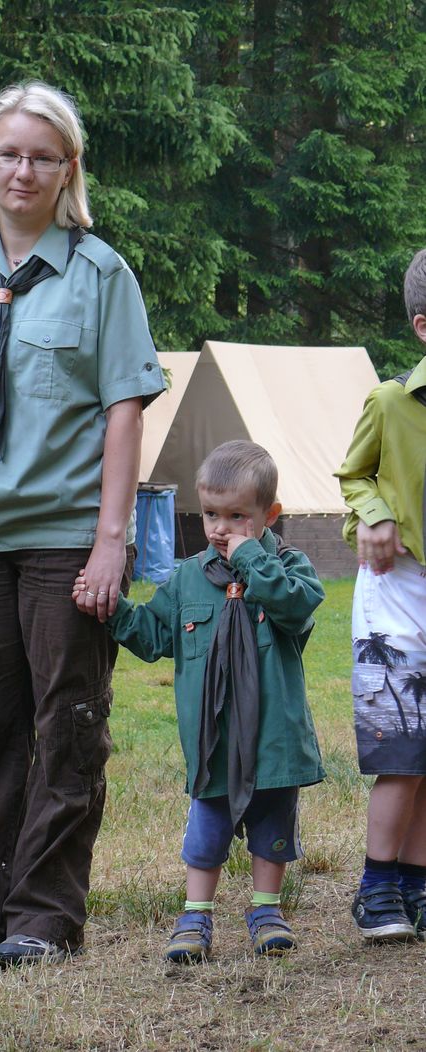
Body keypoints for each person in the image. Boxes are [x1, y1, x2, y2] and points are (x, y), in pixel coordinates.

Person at [0, 81, 164, 966]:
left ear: (68, 169)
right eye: (9, 153)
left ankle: (42, 919)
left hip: (64, 539)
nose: (24, 170)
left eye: (43, 156)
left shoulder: (101, 275)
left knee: (67, 723)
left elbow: (124, 411)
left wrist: (111, 542)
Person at [75, 440, 325, 961]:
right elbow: (153, 637)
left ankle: (266, 909)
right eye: (211, 514)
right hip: (214, 735)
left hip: (273, 734)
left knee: (272, 824)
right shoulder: (188, 577)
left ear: (269, 515)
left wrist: (252, 559)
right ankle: (196, 915)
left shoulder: (288, 569)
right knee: (207, 826)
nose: (220, 529)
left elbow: (295, 609)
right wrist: (113, 608)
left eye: (237, 516)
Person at [336, 248, 426, 944]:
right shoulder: (391, 402)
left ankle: (417, 886)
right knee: (402, 750)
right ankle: (376, 886)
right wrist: (375, 516)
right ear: (423, 327)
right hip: (397, 592)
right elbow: (353, 474)